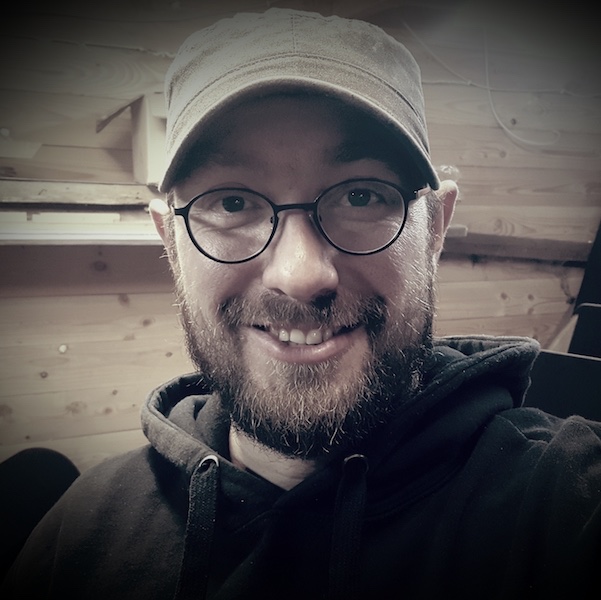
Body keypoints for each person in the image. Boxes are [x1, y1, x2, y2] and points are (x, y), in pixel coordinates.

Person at [3, 8, 600, 600]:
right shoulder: (79, 536)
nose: (300, 274)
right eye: (232, 203)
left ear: (435, 230)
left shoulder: (565, 505)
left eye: (361, 195)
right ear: (171, 243)